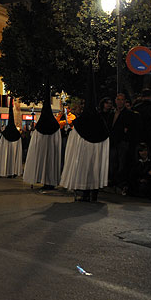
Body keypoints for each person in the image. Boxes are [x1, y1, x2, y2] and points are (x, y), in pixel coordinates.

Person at [60, 70, 110, 202]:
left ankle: (87, 193)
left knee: (86, 170)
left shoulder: (81, 121)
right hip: (96, 152)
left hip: (84, 152)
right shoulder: (100, 121)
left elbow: (73, 141)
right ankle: (93, 193)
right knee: (94, 170)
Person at [23, 95, 62, 189]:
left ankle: (45, 181)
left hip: (43, 148)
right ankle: (50, 181)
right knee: (51, 161)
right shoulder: (55, 126)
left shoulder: (39, 127)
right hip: (52, 150)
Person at [108, 93, 136, 188]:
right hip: (113, 141)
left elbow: (128, 128)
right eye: (118, 99)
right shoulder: (111, 113)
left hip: (122, 141)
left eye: (122, 100)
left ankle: (120, 180)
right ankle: (113, 179)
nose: (120, 102)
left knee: (121, 162)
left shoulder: (129, 114)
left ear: (125, 101)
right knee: (113, 162)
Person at [0, 97, 23, 178]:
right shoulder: (17, 134)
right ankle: (13, 171)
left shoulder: (5, 134)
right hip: (14, 150)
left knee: (6, 157)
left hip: (7, 150)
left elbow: (1, 150)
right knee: (13, 158)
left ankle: (5, 170)